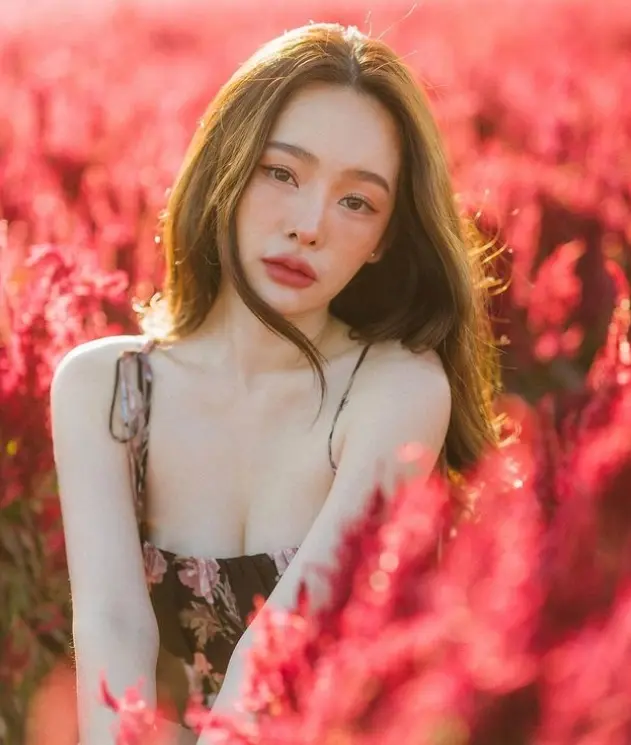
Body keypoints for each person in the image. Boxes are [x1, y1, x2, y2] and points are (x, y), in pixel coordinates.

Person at [51, 21, 500, 745]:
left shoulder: (393, 390)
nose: (310, 225)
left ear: (384, 239)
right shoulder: (107, 389)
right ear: (226, 168)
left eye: (357, 202)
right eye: (281, 172)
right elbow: (113, 632)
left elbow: (283, 648)